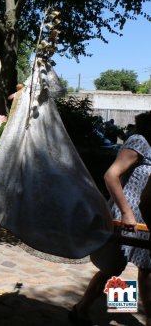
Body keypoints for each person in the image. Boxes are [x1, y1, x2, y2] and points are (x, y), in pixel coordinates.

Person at [71, 111, 151, 325]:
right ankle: (81, 309)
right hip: (127, 215)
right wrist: (126, 212)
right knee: (112, 268)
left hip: (146, 217)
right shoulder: (140, 141)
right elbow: (111, 175)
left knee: (146, 269)